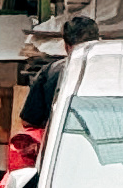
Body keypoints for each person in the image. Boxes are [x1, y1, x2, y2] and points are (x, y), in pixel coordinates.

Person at [21, 9, 100, 137]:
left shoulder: (50, 72)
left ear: (66, 45)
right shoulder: (114, 70)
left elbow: (28, 122)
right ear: (98, 40)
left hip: (59, 145)